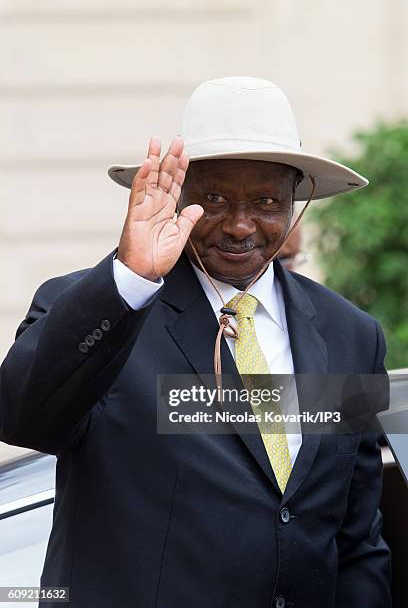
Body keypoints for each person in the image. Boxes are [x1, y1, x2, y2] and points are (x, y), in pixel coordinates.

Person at [0, 77, 391, 608]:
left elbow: (355, 536)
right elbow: (23, 418)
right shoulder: (107, 308)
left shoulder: (350, 334)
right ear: (178, 196)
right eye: (213, 198)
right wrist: (131, 277)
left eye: (266, 201)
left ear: (297, 202)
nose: (239, 224)